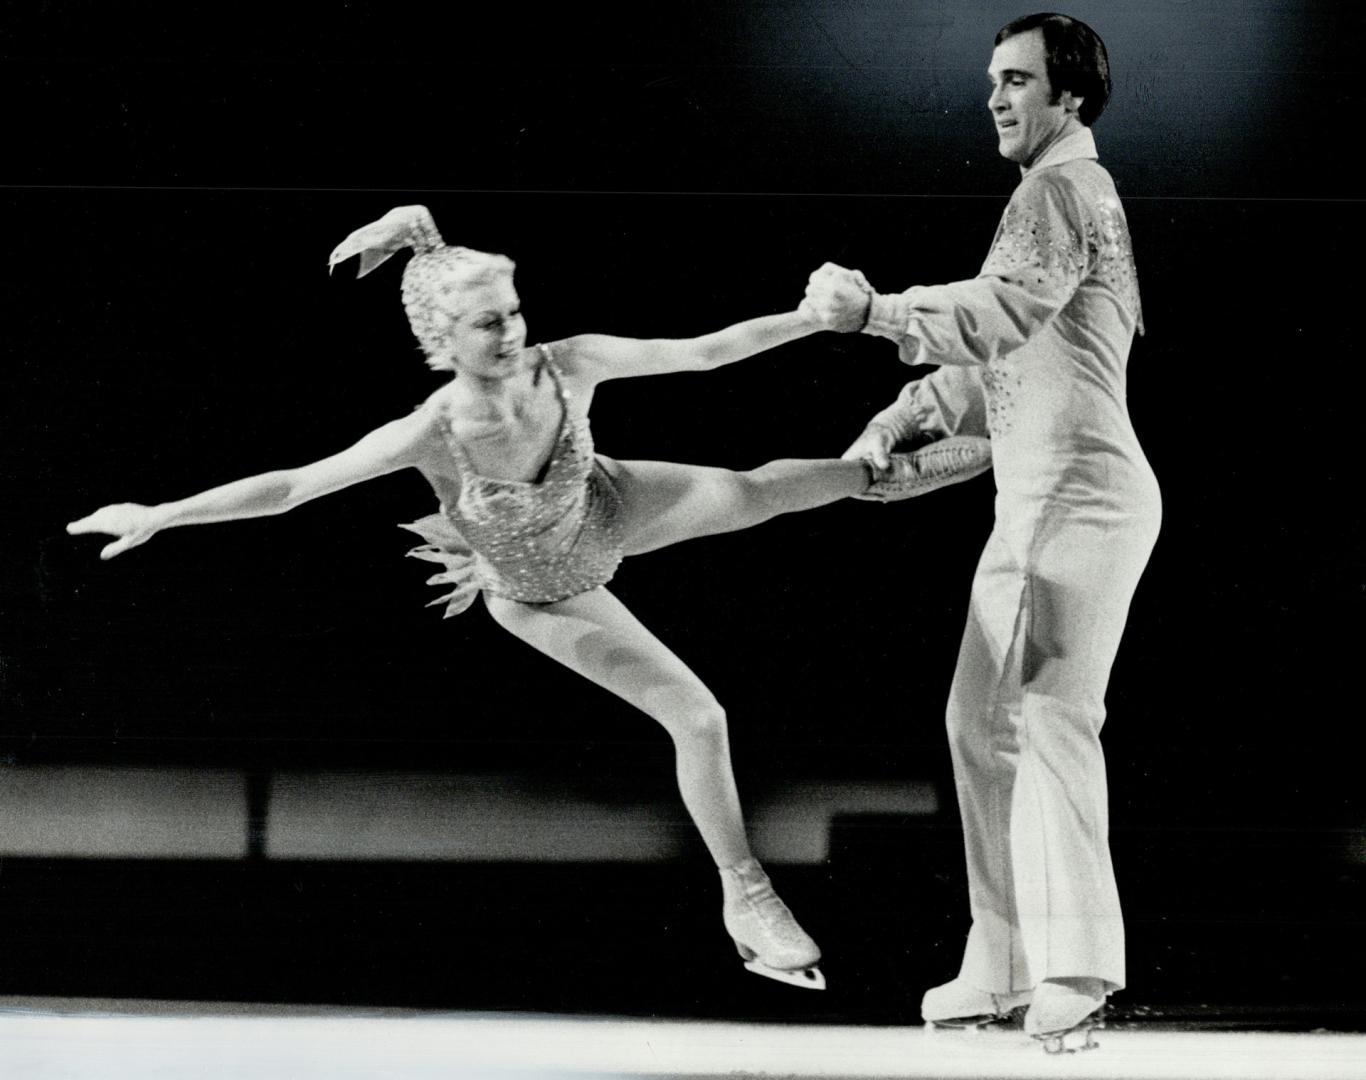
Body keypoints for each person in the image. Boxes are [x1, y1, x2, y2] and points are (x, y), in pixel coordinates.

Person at [68, 204, 990, 991]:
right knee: (699, 718)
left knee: (759, 492)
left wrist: (820, 318)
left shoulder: (567, 362)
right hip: (542, 588)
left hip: (606, 501)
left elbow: (703, 353)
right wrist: (164, 513)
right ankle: (746, 898)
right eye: (485, 325)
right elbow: (294, 485)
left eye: (512, 313)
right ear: (441, 341)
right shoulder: (432, 432)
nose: (509, 333)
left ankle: (876, 464)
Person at [802, 12, 1159, 1050]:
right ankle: (1000, 961)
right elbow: (1007, 368)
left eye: (1015, 80)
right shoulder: (1057, 196)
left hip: (1081, 494)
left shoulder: (1059, 190)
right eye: (992, 80)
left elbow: (1005, 312)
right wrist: (902, 422)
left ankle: (1078, 968)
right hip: (1044, 494)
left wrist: (872, 311)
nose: (995, 98)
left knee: (1047, 713)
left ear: (1069, 97)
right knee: (978, 723)